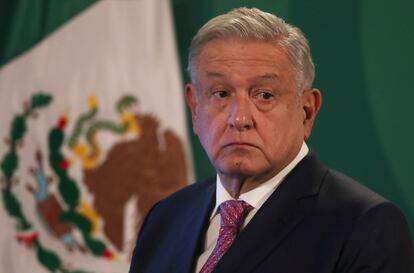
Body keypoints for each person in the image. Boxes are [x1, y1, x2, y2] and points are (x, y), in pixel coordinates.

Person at [129, 7, 414, 273]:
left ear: (307, 111)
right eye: (221, 94)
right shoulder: (165, 218)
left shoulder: (365, 226)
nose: (239, 118)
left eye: (264, 95)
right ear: (194, 107)